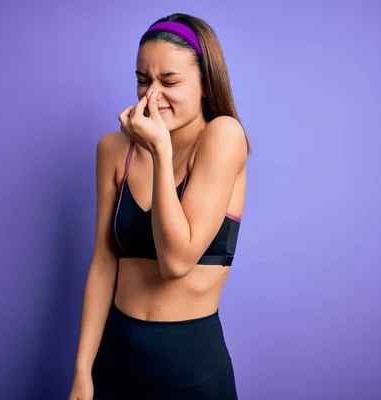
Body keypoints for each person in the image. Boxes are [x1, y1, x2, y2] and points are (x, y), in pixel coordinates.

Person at [68, 12, 249, 400]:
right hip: (114, 362)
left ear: (205, 84)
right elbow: (103, 263)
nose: (152, 95)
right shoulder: (114, 150)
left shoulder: (223, 136)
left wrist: (161, 151)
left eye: (169, 81)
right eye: (142, 80)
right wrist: (83, 372)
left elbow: (176, 262)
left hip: (192, 368)